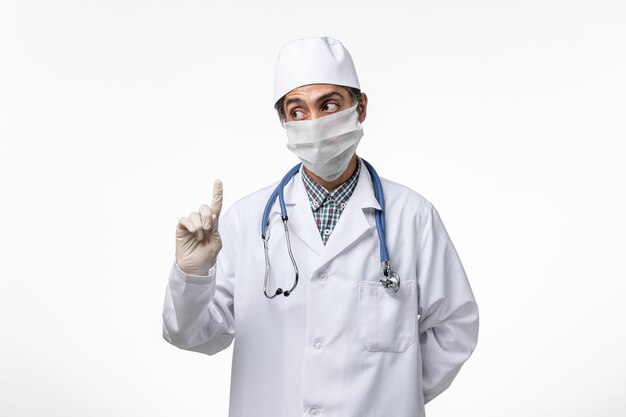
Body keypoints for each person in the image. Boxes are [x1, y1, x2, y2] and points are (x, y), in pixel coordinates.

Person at [162, 36, 479, 417]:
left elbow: (455, 326)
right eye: (298, 112)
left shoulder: (413, 216)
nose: (314, 123)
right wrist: (193, 274)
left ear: (360, 108)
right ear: (284, 122)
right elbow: (192, 335)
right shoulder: (247, 221)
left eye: (329, 105)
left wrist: (391, 394)